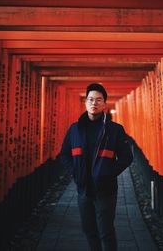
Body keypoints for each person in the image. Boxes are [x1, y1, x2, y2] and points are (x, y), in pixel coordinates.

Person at [60, 83, 134, 251]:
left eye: (98, 100)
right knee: (89, 230)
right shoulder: (74, 129)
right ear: (85, 102)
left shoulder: (114, 129)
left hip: (105, 190)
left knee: (106, 231)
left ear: (104, 104)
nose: (94, 103)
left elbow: (127, 157)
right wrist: (75, 173)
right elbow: (64, 155)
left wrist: (108, 173)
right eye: (90, 99)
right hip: (83, 189)